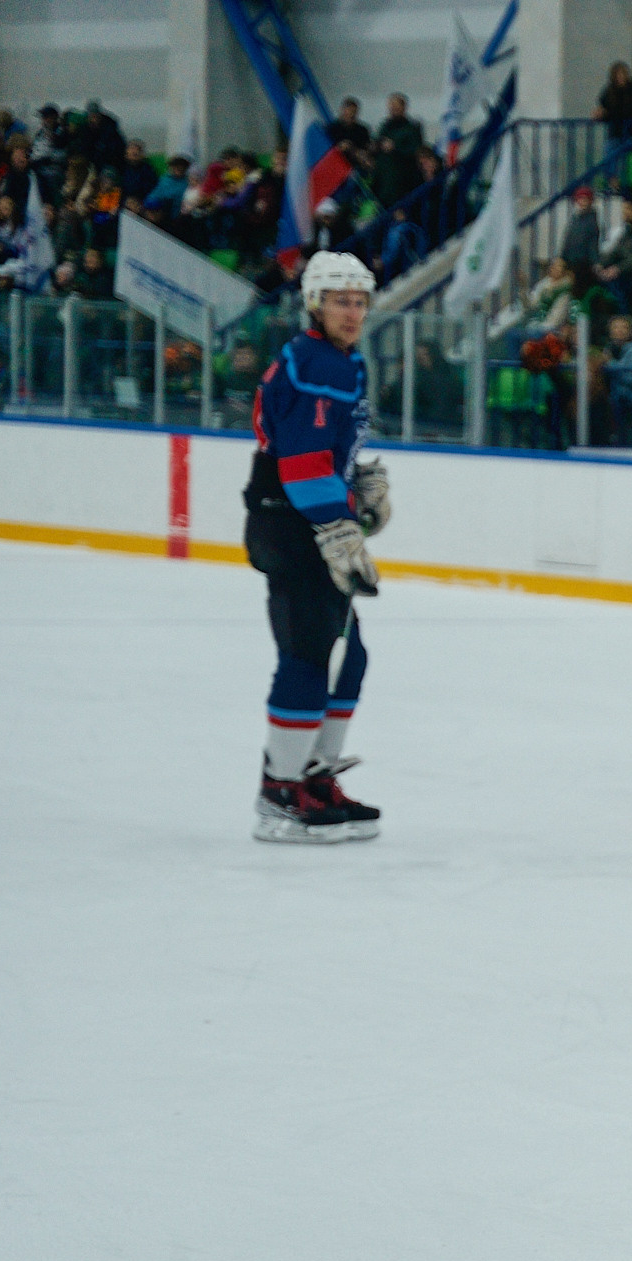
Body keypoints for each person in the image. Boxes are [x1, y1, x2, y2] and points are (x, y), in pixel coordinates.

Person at [243, 251, 388, 843]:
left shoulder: (336, 359)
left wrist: (356, 485)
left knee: (347, 658)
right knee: (310, 658)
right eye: (340, 301)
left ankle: (314, 775)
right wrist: (338, 523)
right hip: (292, 524)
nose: (352, 312)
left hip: (306, 519)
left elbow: (322, 452)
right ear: (314, 305)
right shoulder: (315, 362)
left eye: (359, 302)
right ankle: (280, 792)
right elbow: (301, 463)